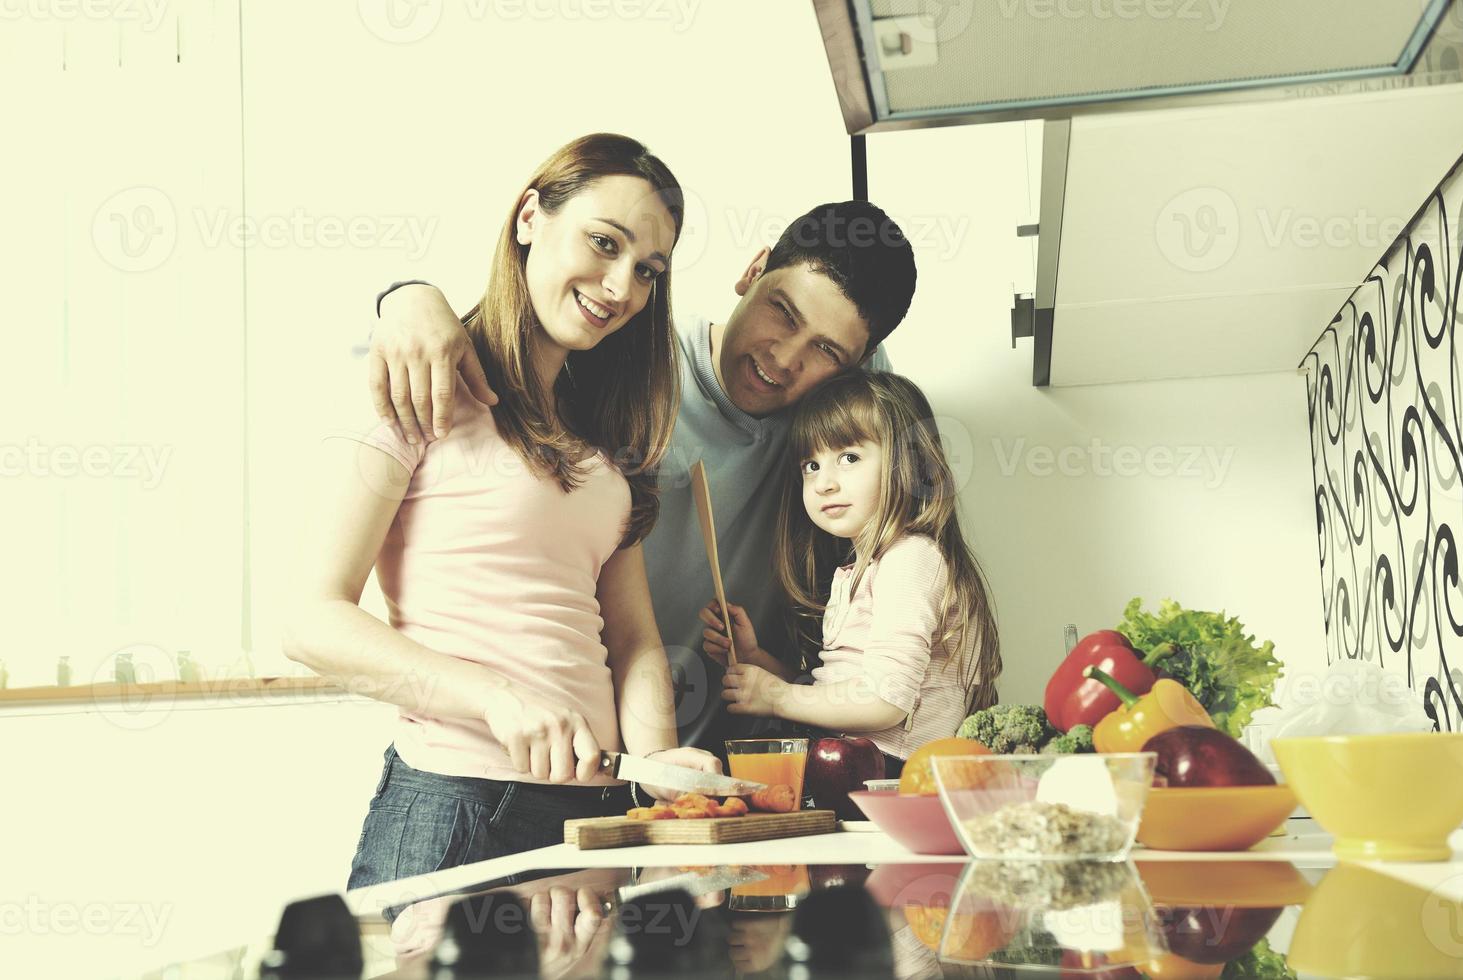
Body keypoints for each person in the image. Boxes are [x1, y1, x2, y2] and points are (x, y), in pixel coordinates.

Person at [283, 133, 720, 903]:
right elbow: (309, 622)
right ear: (529, 217)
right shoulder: (418, 380)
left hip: (598, 820)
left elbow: (634, 639)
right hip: (461, 808)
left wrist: (659, 778)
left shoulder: (603, 440)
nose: (621, 287)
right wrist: (496, 698)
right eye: (603, 242)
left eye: (647, 270)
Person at [368, 200, 917, 751]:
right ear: (753, 270)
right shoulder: (628, 359)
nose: (785, 357)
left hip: (744, 754)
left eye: (825, 350)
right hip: (563, 743)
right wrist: (408, 296)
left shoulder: (846, 404)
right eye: (783, 312)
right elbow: (518, 323)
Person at [700, 371, 1001, 776]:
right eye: (811, 464)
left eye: (849, 458)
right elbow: (840, 690)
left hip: (893, 774)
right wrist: (758, 660)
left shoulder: (911, 559)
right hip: (857, 765)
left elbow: (884, 700)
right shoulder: (861, 568)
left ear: (910, 461)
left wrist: (777, 697)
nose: (824, 483)